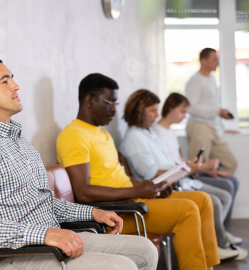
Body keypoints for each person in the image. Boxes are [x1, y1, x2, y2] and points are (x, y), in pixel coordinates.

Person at [0, 57, 158, 270]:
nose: (16, 86)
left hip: (51, 242)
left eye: (12, 79)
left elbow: (44, 203)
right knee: (121, 266)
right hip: (18, 256)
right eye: (4, 81)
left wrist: (91, 213)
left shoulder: (21, 143)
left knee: (145, 250)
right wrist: (45, 234)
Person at [56, 73, 220, 270]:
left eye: (116, 103)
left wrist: (151, 187)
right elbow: (82, 192)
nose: (114, 110)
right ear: (89, 100)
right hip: (118, 213)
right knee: (187, 211)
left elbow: (120, 178)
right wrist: (138, 192)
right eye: (110, 102)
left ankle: (208, 266)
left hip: (131, 201)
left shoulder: (102, 133)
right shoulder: (74, 135)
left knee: (202, 199)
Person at [120, 89, 247, 261]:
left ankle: (215, 246)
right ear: (139, 110)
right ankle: (216, 247)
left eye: (157, 110)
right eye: (152, 111)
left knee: (211, 198)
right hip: (161, 189)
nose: (156, 115)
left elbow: (170, 162)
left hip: (172, 183)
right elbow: (153, 175)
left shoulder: (147, 133)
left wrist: (189, 169)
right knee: (212, 200)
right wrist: (190, 170)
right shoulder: (134, 138)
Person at [153, 93, 246, 254]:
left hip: (185, 176)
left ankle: (218, 235)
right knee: (220, 197)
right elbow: (170, 164)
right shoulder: (157, 132)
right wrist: (199, 168)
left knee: (225, 192)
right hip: (178, 181)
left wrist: (201, 167)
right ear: (170, 108)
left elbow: (179, 159)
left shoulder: (169, 131)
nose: (184, 116)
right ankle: (217, 241)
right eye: (182, 112)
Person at [185, 47, 237, 175]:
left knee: (230, 163)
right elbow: (190, 107)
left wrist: (223, 127)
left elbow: (212, 107)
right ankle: (203, 194)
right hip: (200, 127)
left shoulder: (212, 79)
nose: (218, 63)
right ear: (204, 61)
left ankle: (216, 191)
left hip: (213, 129)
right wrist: (217, 111)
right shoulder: (195, 80)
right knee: (197, 168)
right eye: (214, 59)